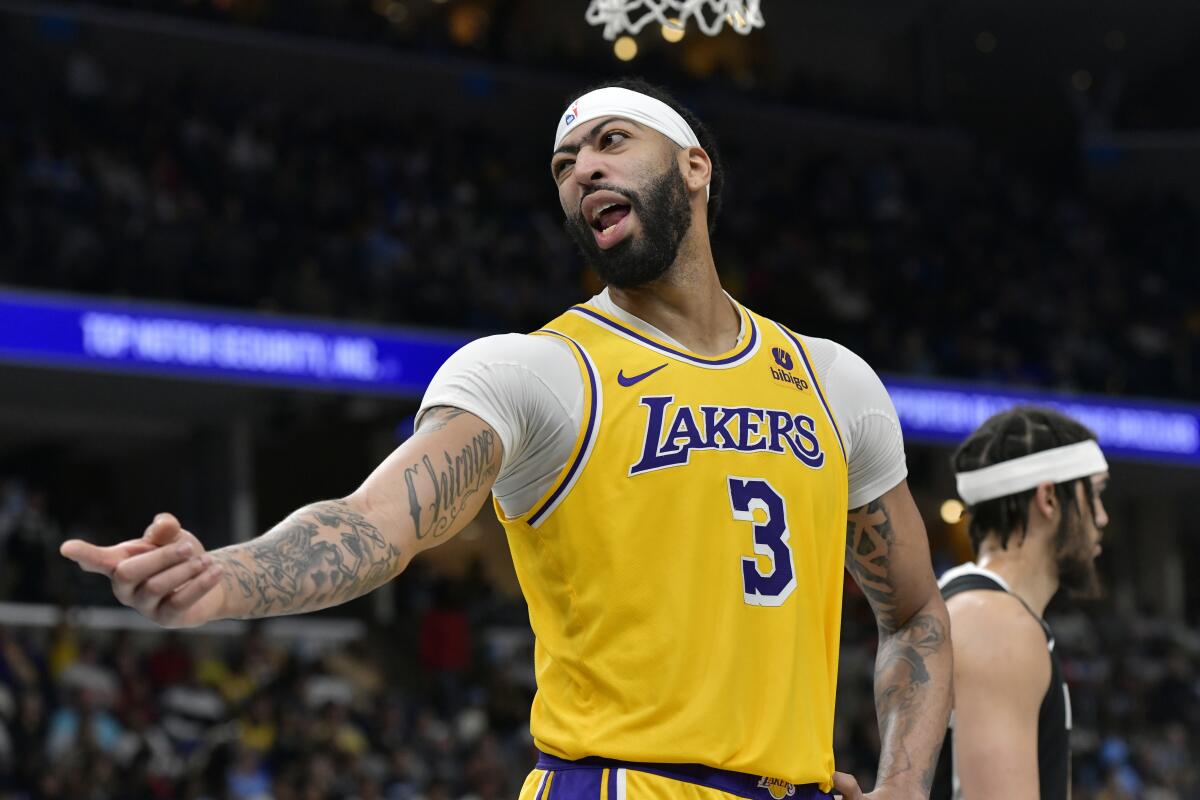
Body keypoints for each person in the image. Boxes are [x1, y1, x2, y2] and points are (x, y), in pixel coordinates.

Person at [61, 78, 951, 798]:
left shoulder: (834, 381)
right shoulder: (538, 372)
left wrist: (905, 786)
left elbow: (911, 614)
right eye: (564, 163)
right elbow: (376, 522)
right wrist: (228, 577)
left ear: (694, 167)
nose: (581, 171)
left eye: (609, 142)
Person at [931, 406, 1110, 799]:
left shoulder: (972, 606)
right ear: (1049, 498)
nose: (1102, 517)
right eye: (1095, 494)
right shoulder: (997, 626)